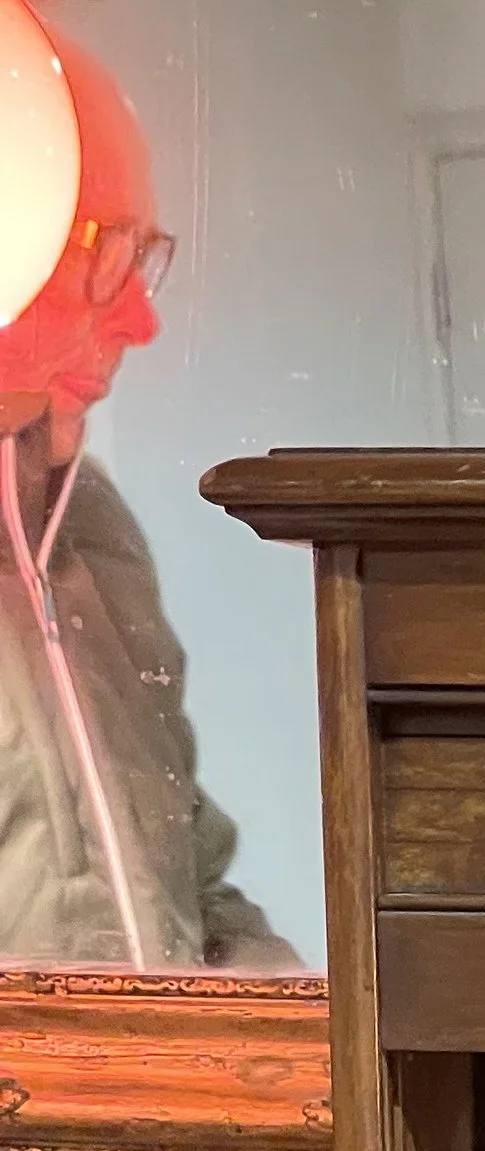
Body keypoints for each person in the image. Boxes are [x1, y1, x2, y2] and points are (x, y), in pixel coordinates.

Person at [0, 23, 289, 964]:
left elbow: (198, 899)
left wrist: (308, 1075)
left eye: (143, 257)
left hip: (163, 1109)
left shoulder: (96, 529)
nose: (142, 319)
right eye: (110, 255)